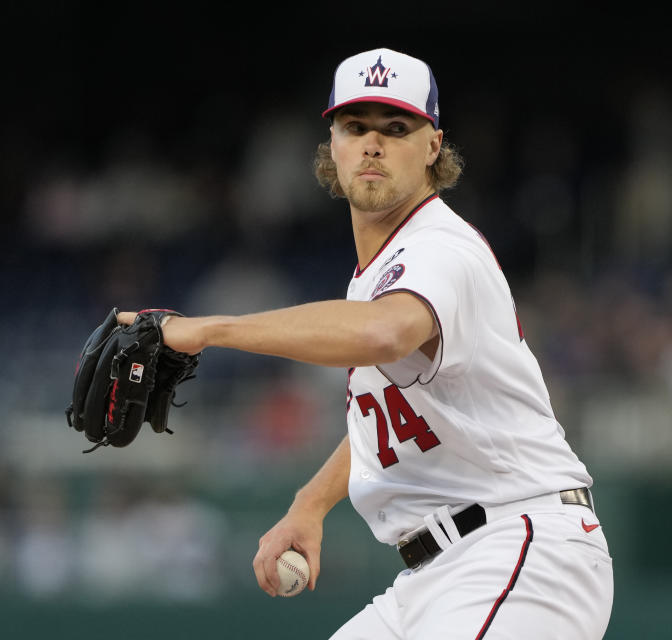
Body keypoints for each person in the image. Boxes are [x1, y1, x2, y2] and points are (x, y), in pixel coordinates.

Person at [121, 47, 613, 639]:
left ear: (434, 147)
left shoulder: (439, 249)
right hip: (437, 574)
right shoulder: (375, 276)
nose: (373, 144)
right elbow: (395, 421)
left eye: (396, 128)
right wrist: (309, 503)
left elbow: (385, 333)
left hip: (519, 549)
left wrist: (206, 330)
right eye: (356, 127)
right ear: (333, 145)